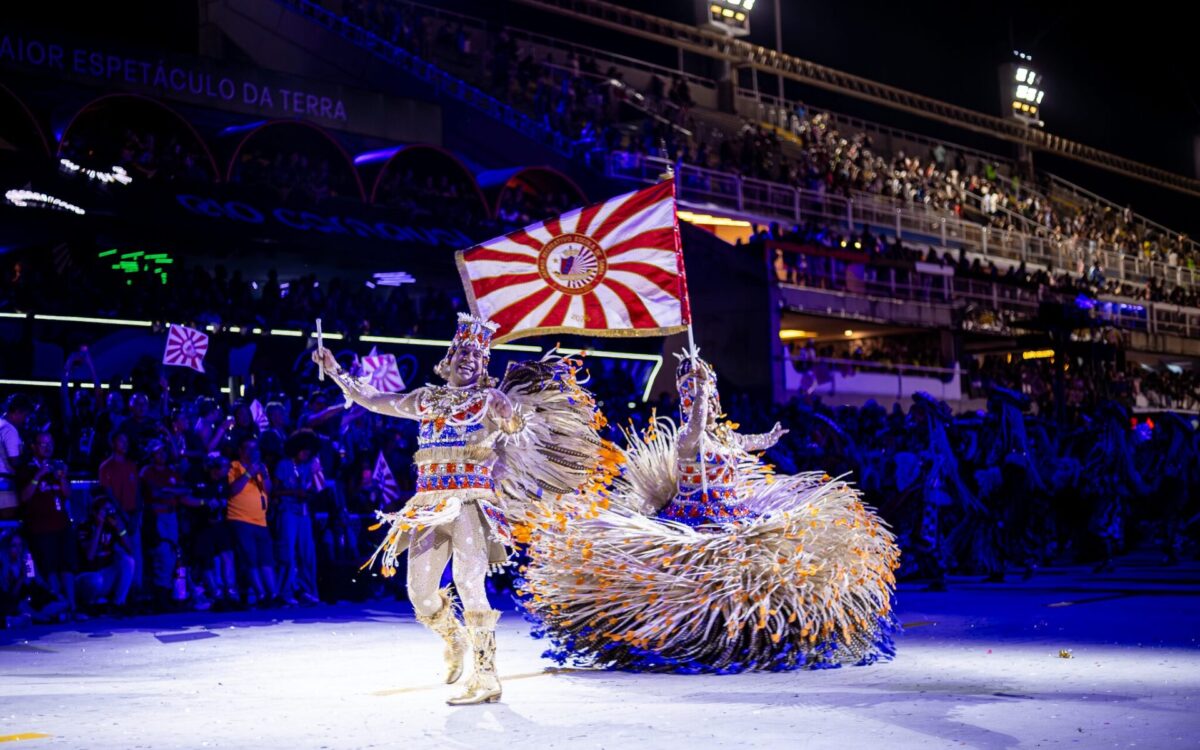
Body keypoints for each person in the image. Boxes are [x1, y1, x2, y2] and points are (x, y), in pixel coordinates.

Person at [519, 350, 900, 673]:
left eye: (700, 393)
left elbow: (749, 442)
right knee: (698, 583)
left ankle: (747, 641)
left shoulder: (725, 436)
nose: (693, 399)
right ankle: (690, 642)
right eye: (685, 393)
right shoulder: (689, 436)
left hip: (733, 513)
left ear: (717, 397)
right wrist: (698, 391)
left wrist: (769, 438)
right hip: (693, 519)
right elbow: (698, 424)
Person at [314, 313, 605, 705]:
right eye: (464, 352)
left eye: (479, 356)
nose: (471, 358)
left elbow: (516, 427)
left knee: (470, 583)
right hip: (428, 507)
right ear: (449, 359)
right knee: (420, 595)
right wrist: (335, 371)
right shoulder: (425, 399)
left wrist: (510, 417)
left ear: (485, 367)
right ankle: (454, 639)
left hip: (471, 503)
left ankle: (486, 676)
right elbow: (373, 400)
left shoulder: (489, 400)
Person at [18, 430, 79, 618]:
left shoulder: (57, 466)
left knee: (67, 567)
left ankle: (72, 607)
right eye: (43, 444)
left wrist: (62, 478)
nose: (48, 447)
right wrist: (38, 475)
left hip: (61, 525)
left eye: (50, 443)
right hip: (41, 528)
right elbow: (24, 496)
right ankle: (58, 608)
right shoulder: (26, 469)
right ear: (34, 447)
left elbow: (67, 494)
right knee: (50, 569)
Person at [273, 430, 322, 606]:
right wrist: (294, 492)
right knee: (287, 553)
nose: (306, 454)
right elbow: (275, 491)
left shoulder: (309, 466)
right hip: (287, 512)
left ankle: (308, 591)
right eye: (303, 450)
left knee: (307, 553)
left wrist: (308, 493)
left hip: (304, 513)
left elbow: (315, 488)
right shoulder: (284, 465)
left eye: (309, 451)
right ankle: (285, 591)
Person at [227, 435, 277, 606]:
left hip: (261, 521)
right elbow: (233, 489)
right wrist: (249, 472)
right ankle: (261, 594)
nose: (252, 452)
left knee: (266, 559)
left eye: (255, 448)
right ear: (241, 451)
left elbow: (269, 491)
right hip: (241, 519)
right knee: (251, 559)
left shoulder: (261, 468)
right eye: (248, 448)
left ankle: (273, 594)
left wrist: (264, 476)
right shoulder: (234, 466)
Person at [75, 493, 136, 612]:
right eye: (105, 510)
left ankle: (118, 603)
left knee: (128, 561)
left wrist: (120, 529)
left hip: (105, 575)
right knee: (96, 580)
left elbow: (130, 550)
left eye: (110, 509)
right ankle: (88, 606)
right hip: (86, 576)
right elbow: (89, 556)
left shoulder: (112, 526)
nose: (109, 513)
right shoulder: (84, 527)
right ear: (95, 512)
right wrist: (99, 527)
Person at [0, 394, 35, 521]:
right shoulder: (10, 430)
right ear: (16, 412)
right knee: (7, 524)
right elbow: (14, 461)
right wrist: (30, 462)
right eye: (25, 415)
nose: (25, 420)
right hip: (5, 485)